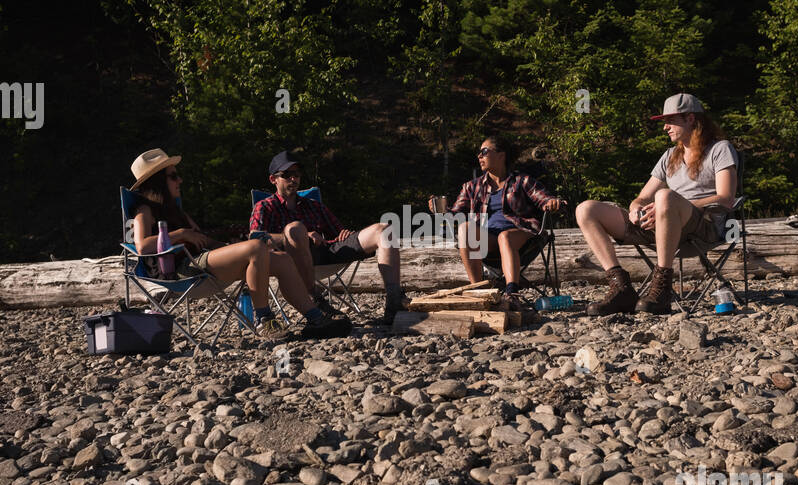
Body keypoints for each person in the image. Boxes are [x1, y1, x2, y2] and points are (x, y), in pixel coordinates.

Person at [128, 148, 351, 339]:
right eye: (173, 176)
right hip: (182, 271)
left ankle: (315, 319)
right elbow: (142, 247)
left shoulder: (177, 212)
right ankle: (264, 319)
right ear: (158, 181)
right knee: (256, 248)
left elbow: (205, 241)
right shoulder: (145, 211)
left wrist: (231, 244)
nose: (180, 180)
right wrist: (181, 234)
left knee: (281, 259)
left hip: (202, 262)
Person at [575, 93, 738, 316]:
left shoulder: (720, 149)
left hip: (704, 227)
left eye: (670, 121)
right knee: (586, 209)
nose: (665, 128)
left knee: (664, 196)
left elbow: (727, 197)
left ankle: (661, 288)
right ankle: (620, 287)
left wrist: (672, 204)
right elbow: (641, 198)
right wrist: (636, 210)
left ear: (691, 118)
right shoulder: (670, 155)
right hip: (662, 226)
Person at [249, 149, 409, 325]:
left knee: (385, 229)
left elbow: (338, 233)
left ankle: (394, 301)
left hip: (326, 251)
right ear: (273, 179)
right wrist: (300, 234)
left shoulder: (313, 205)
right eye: (287, 174)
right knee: (295, 229)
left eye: (296, 174)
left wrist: (345, 234)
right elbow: (255, 239)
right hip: (292, 261)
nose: (293, 179)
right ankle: (314, 301)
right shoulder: (265, 207)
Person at [430, 135, 565, 309]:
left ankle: (512, 293)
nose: (479, 156)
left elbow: (544, 199)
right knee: (465, 228)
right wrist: (440, 211)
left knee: (505, 236)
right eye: (478, 153)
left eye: (484, 151)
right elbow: (454, 215)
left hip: (522, 234)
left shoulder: (522, 181)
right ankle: (479, 292)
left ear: (501, 155)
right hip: (490, 239)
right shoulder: (471, 187)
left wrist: (553, 203)